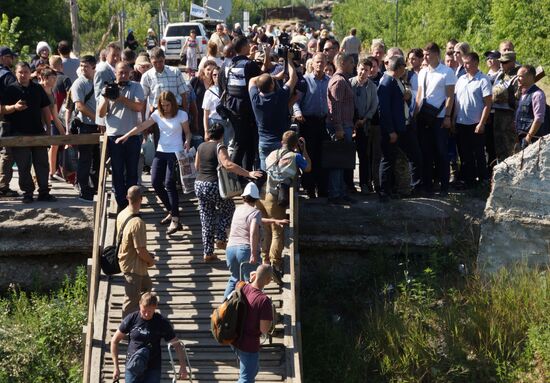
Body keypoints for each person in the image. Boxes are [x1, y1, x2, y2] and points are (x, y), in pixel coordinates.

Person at [116, 91, 191, 235]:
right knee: (155, 182)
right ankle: (171, 210)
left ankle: (175, 218)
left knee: (169, 183)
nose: (165, 108)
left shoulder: (181, 115)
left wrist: (187, 140)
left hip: (176, 151)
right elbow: (142, 126)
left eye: (168, 105)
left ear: (173, 104)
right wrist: (125, 136)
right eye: (163, 106)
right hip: (161, 150)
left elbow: (188, 132)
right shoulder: (157, 114)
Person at [194, 122, 262, 262]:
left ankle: (208, 252)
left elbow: (197, 166)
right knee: (229, 208)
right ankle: (220, 237)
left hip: (199, 184)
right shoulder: (220, 146)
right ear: (222, 135)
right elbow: (228, 164)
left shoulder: (201, 146)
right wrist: (248, 173)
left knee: (206, 218)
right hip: (213, 185)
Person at [2, 62, 56, 203]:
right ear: (16, 73)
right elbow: (2, 109)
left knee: (42, 164)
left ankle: (44, 192)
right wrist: (14, 107)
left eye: (26, 72)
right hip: (18, 134)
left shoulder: (37, 88)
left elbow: (45, 109)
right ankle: (28, 193)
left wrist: (48, 130)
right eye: (20, 72)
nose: (23, 75)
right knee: (24, 165)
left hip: (38, 132)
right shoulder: (10, 89)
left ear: (29, 73)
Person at [260, 131, 310, 283]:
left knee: (267, 232)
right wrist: (304, 149)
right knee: (277, 232)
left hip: (263, 195)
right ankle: (275, 266)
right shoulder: (295, 156)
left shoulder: (272, 154)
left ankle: (265, 263)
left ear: (281, 141)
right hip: (276, 198)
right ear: (295, 144)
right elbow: (308, 168)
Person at [110, 292, 188, 383]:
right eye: (144, 311)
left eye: (150, 311)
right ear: (140, 305)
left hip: (152, 368)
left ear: (155, 307)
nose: (146, 314)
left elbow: (177, 345)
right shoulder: (132, 318)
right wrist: (116, 367)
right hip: (133, 366)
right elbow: (114, 341)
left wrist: (183, 367)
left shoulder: (161, 322)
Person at [98, 61, 145, 210]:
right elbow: (100, 113)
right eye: (120, 73)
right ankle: (121, 204)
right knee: (117, 172)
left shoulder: (136, 86)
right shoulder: (107, 88)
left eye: (126, 72)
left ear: (130, 72)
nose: (123, 75)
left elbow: (138, 107)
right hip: (114, 136)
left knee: (132, 171)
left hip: (132, 136)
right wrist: (106, 97)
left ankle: (132, 204)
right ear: (115, 74)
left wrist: (120, 98)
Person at [378, 56, 423, 202]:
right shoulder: (386, 82)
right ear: (399, 67)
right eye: (404, 66)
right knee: (387, 160)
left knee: (410, 156)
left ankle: (406, 187)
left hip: (402, 126)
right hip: (392, 129)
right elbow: (384, 110)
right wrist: (391, 131)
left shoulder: (397, 80)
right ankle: (384, 192)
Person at [218, 36, 267, 170]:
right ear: (245, 47)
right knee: (243, 143)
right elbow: (263, 80)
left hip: (232, 109)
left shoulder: (228, 65)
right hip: (246, 111)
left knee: (244, 142)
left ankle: (243, 174)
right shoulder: (248, 64)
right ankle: (234, 174)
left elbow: (221, 86)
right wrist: (266, 57)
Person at [415, 42, 457, 196]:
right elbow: (420, 95)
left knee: (441, 152)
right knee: (426, 153)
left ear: (436, 54)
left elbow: (450, 96)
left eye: (428, 54)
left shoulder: (447, 72)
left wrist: (447, 116)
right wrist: (416, 114)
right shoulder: (423, 72)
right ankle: (428, 186)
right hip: (424, 117)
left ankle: (444, 186)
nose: (425, 57)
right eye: (424, 54)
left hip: (440, 118)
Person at [249, 50, 297, 170]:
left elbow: (252, 81)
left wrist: (273, 77)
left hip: (264, 142)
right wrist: (289, 59)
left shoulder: (255, 99)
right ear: (272, 86)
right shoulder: (280, 96)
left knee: (266, 171)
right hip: (280, 141)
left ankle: (267, 188)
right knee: (281, 173)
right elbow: (294, 78)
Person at [115, 185, 155, 318]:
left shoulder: (122, 214)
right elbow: (141, 251)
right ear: (141, 199)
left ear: (127, 198)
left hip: (129, 261)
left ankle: (141, 317)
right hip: (133, 268)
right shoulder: (138, 223)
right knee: (131, 300)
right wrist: (150, 260)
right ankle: (125, 328)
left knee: (147, 288)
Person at [293, 52, 330, 198]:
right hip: (307, 122)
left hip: (323, 122)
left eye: (322, 62)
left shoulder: (329, 80)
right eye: (317, 62)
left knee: (323, 156)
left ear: (326, 64)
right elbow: (295, 100)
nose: (320, 64)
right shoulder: (305, 81)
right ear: (312, 64)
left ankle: (322, 188)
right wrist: (297, 112)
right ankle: (309, 187)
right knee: (309, 155)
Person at [454, 52, 492, 187]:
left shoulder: (483, 80)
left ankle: (482, 179)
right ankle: (468, 179)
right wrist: (453, 120)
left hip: (476, 123)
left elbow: (488, 104)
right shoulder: (461, 79)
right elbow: (456, 102)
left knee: (479, 152)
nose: (464, 65)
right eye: (464, 63)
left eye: (467, 63)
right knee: (464, 153)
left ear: (476, 63)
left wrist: (482, 123)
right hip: (461, 122)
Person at [231, 264, 274, 383]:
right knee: (246, 379)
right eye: (270, 278)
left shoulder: (242, 286)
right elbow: (264, 330)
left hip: (235, 338)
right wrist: (271, 318)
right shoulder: (264, 301)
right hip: (248, 345)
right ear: (268, 280)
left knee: (252, 371)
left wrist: (250, 280)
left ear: (255, 275)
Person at [223, 182, 263, 299]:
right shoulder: (256, 212)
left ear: (243, 197)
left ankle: (224, 310)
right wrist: (254, 253)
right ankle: (250, 311)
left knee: (234, 278)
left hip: (230, 248)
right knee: (250, 280)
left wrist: (273, 221)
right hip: (245, 249)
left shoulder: (238, 210)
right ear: (256, 198)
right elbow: (253, 232)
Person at [326, 53, 356, 205]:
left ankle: (341, 192)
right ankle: (335, 194)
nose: (353, 65)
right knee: (338, 161)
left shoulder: (344, 80)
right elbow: (335, 107)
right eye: (351, 62)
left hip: (346, 125)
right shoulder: (338, 81)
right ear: (342, 63)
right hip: (341, 126)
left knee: (342, 161)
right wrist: (338, 128)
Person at [70, 55, 100, 202]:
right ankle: (83, 189)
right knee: (85, 159)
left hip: (98, 125)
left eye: (86, 66)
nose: (82, 69)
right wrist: (98, 119)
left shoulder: (98, 81)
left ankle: (94, 188)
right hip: (85, 125)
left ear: (94, 67)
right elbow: (79, 106)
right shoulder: (78, 83)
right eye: (81, 66)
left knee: (97, 159)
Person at [350, 57, 379, 194]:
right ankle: (348, 184)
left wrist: (365, 119)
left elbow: (374, 106)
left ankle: (364, 183)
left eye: (366, 70)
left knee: (364, 156)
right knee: (348, 155)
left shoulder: (372, 87)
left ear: (369, 72)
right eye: (361, 69)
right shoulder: (350, 83)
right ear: (357, 69)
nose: (363, 72)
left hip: (364, 125)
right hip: (350, 125)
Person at [37, 66, 66, 182]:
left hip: (47, 125)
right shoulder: (37, 90)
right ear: (44, 78)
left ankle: (48, 175)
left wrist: (64, 133)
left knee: (46, 152)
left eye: (55, 78)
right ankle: (40, 180)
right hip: (36, 125)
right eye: (52, 78)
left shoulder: (52, 93)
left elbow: (55, 115)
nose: (55, 81)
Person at [141, 47, 189, 115]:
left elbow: (183, 94)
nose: (158, 65)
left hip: (176, 109)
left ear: (164, 58)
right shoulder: (146, 76)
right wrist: (143, 119)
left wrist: (185, 113)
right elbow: (143, 99)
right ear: (150, 60)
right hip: (157, 112)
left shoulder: (175, 72)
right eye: (155, 62)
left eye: (161, 61)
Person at [492, 51, 520, 162]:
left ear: (513, 62)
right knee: (499, 146)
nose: (502, 64)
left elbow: (519, 99)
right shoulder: (500, 75)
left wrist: (516, 120)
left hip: (510, 116)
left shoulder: (518, 76)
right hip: (498, 114)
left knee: (511, 147)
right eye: (501, 62)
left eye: (505, 62)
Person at [0, 46, 19, 198]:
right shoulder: (7, 75)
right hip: (5, 117)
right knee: (7, 152)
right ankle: (2, 187)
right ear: (4, 58)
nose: (12, 59)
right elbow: (16, 92)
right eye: (10, 57)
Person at [515, 65, 547, 149]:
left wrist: (528, 138)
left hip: (532, 140)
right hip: (522, 137)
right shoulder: (522, 94)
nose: (517, 79)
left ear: (530, 77)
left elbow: (539, 119)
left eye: (520, 76)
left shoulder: (537, 94)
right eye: (517, 76)